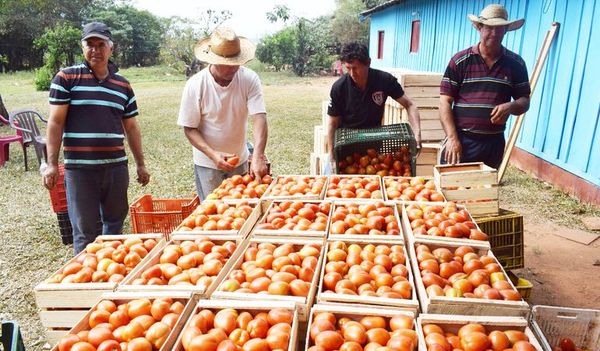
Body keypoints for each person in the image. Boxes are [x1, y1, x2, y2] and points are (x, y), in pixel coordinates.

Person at [43, 22, 150, 254]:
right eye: (89, 45)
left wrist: (141, 164)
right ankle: (84, 284)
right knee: (85, 230)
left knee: (114, 225)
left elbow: (131, 127)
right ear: (83, 48)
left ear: (111, 48)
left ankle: (109, 276)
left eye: (100, 44)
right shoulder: (66, 78)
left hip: (116, 168)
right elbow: (56, 123)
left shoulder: (122, 85)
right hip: (80, 169)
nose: (95, 50)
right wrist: (51, 164)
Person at [178, 27, 268, 199]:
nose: (232, 69)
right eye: (227, 65)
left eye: (236, 63)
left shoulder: (249, 79)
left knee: (239, 210)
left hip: (239, 159)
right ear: (212, 60)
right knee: (213, 213)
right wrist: (213, 154)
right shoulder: (195, 85)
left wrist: (257, 155)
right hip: (207, 163)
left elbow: (260, 118)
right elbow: (189, 129)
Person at [440, 4, 531, 169]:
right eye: (489, 28)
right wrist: (452, 139)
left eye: (500, 28)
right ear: (479, 27)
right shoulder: (460, 61)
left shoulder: (516, 64)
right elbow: (444, 102)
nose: (495, 34)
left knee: (485, 192)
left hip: (494, 143)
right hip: (461, 140)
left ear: (506, 30)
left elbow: (525, 101)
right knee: (453, 191)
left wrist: (511, 106)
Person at [327, 42, 421, 173]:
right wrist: (331, 156)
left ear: (368, 63)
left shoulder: (384, 80)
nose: (352, 73)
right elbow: (332, 123)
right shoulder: (339, 88)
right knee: (332, 179)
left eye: (356, 68)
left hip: (374, 143)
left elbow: (410, 105)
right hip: (345, 145)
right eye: (348, 68)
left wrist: (417, 134)